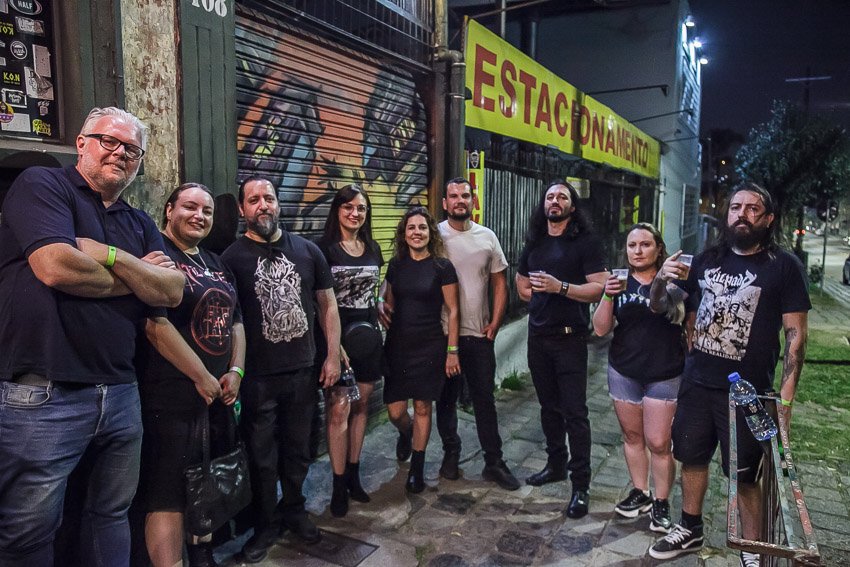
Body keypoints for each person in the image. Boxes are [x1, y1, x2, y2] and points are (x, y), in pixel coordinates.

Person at [0, 107, 185, 567]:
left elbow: (173, 290)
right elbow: (56, 267)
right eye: (109, 141)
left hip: (121, 391)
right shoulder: (43, 185)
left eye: (132, 149)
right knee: (28, 532)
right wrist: (139, 276)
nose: (120, 152)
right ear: (81, 143)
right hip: (44, 393)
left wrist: (108, 255)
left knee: (111, 515)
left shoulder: (139, 222)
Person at [648, 183, 810, 567]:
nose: (742, 214)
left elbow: (796, 337)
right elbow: (661, 307)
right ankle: (690, 527)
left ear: (768, 219)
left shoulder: (784, 266)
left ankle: (752, 547)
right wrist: (660, 279)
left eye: (753, 208)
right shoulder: (707, 260)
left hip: (748, 393)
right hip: (697, 383)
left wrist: (785, 402)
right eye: (736, 207)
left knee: (746, 475)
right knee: (691, 457)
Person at [221, 176, 341, 563]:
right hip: (257, 377)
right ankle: (266, 523)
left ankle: (294, 509)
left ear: (278, 203)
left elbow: (328, 305)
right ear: (243, 209)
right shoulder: (231, 259)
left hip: (303, 370)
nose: (263, 205)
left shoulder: (307, 251)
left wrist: (332, 355)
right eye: (254, 200)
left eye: (269, 198)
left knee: (298, 448)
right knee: (261, 455)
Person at [136, 183, 246, 567]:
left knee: (207, 481)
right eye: (189, 207)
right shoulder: (157, 255)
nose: (199, 216)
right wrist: (201, 376)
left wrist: (236, 370)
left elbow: (236, 322)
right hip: (171, 395)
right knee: (166, 493)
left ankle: (202, 556)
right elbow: (154, 324)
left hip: (215, 396)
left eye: (207, 211)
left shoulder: (217, 262)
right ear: (169, 210)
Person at [516, 179, 607, 519]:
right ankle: (555, 464)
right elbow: (521, 284)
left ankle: (580, 485)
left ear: (572, 205)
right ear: (544, 204)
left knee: (575, 413)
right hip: (538, 338)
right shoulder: (536, 241)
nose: (555, 201)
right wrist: (538, 297)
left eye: (562, 197)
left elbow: (598, 288)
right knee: (548, 408)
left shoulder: (586, 243)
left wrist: (561, 288)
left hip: (570, 339)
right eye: (550, 196)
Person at [591, 223, 684, 534]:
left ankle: (661, 501)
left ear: (658, 249)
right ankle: (640, 492)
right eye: (632, 245)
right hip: (624, 370)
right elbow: (600, 329)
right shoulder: (619, 282)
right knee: (632, 437)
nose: (638, 251)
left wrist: (661, 281)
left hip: (664, 372)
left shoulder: (674, 280)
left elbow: (673, 314)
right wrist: (607, 295)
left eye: (645, 244)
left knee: (659, 442)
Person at [434, 178, 520, 491]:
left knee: (484, 400)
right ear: (445, 203)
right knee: (445, 399)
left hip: (478, 335)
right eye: (454, 196)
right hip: (443, 334)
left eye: (465, 195)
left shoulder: (487, 237)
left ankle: (493, 462)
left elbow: (500, 282)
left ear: (473, 200)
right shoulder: (434, 236)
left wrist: (495, 322)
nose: (460, 200)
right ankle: (451, 453)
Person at [379, 206, 460, 494]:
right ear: (404, 233)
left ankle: (417, 469)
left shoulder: (442, 267)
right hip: (398, 346)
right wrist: (379, 300)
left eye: (422, 227)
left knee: (424, 406)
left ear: (430, 233)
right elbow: (386, 298)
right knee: (396, 411)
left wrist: (452, 351)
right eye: (411, 227)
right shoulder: (396, 265)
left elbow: (453, 310)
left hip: (430, 345)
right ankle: (406, 432)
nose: (417, 232)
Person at [317, 184, 384, 517]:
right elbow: (319, 303)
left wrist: (380, 306)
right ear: (337, 210)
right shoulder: (323, 250)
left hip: (368, 338)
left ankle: (354, 475)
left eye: (361, 208)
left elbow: (374, 293)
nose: (355, 213)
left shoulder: (372, 248)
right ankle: (338, 483)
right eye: (348, 207)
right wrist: (334, 346)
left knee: (361, 406)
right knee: (338, 410)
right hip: (337, 340)